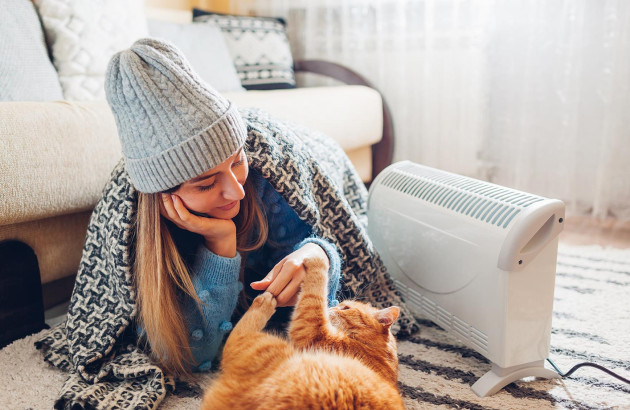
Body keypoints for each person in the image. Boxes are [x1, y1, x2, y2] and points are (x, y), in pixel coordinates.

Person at [105, 38, 342, 375]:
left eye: (237, 162)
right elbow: (186, 356)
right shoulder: (132, 225)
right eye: (205, 183)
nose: (236, 191)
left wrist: (318, 257)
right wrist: (220, 245)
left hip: (325, 155)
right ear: (163, 197)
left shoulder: (267, 180)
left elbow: (328, 238)